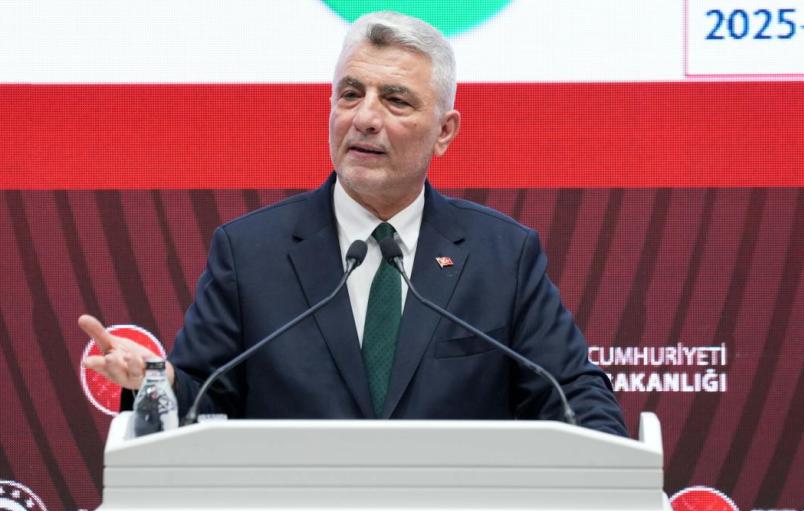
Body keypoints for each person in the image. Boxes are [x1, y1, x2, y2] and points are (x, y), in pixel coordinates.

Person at [79, 11, 628, 436]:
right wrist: (157, 383)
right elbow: (202, 399)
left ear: (444, 132)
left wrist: (608, 477)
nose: (364, 118)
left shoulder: (502, 256)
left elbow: (574, 396)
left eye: (395, 100)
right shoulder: (249, 253)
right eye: (350, 94)